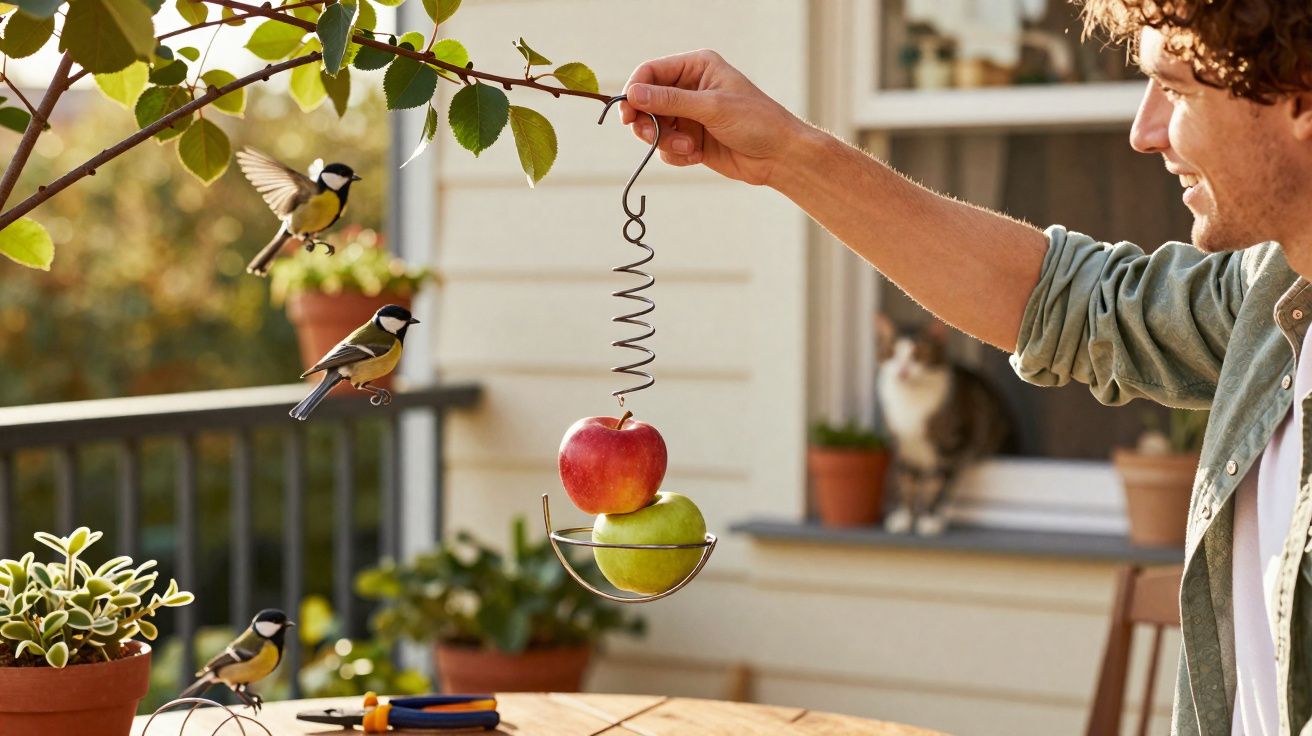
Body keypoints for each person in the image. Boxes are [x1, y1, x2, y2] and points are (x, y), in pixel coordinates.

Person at [617, 2, 1312, 735]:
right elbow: (1069, 303)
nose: (1144, 133)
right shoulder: (1271, 292)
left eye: (1175, 90)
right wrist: (785, 154)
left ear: (1299, 92)